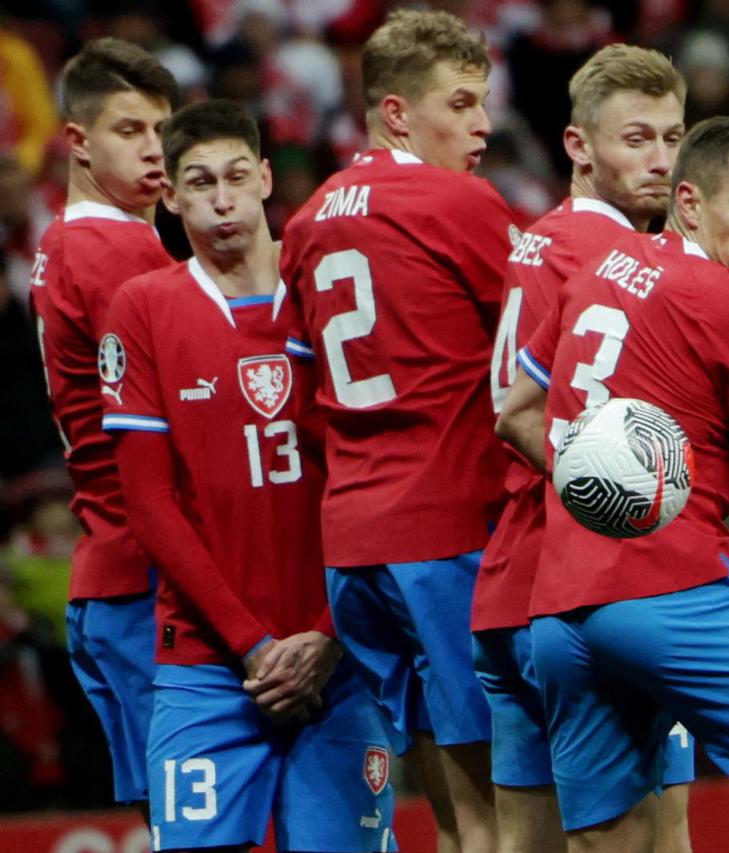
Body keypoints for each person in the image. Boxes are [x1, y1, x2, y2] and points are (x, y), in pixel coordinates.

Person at [498, 116, 729, 853]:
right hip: (672, 591)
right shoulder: (728, 302)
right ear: (691, 203)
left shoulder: (596, 269)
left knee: (608, 841)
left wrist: (597, 486)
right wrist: (653, 497)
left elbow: (515, 414)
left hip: (560, 608)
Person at [101, 99, 395, 853]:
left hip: (340, 661)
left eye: (237, 176)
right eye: (199, 183)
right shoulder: (142, 308)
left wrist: (329, 636)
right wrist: (255, 646)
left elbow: (378, 478)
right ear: (169, 195)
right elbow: (149, 502)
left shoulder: (331, 298)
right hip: (205, 662)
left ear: (266, 177)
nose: (222, 199)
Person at [279, 10, 512, 852]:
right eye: (461, 102)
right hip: (447, 533)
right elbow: (537, 354)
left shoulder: (303, 224)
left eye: (483, 102)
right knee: (505, 811)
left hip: (353, 546)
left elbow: (301, 399)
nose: (482, 124)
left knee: (448, 815)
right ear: (396, 111)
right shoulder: (461, 202)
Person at [477, 43, 693, 853]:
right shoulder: (619, 260)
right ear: (577, 145)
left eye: (673, 138)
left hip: (508, 583)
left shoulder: (539, 240)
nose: (662, 160)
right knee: (654, 837)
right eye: (637, 139)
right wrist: (644, 505)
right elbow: (528, 417)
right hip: (594, 591)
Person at [27, 38, 177, 814]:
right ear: (77, 141)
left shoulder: (65, 244)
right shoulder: (116, 250)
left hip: (111, 569)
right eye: (129, 130)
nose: (155, 149)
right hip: (150, 576)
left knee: (176, 821)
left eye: (161, 128)